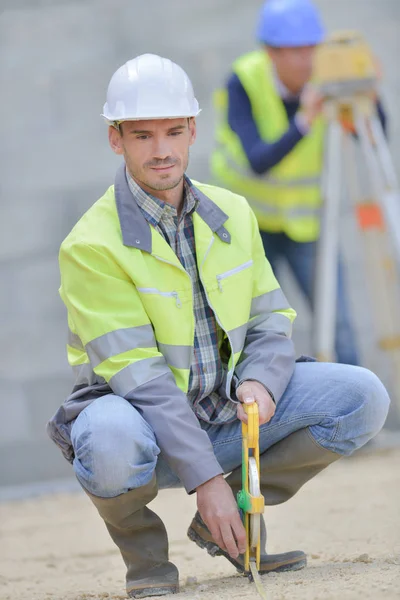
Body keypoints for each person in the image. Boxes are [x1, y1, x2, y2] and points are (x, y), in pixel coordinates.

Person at [47, 53, 390, 599]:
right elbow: (140, 377)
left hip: (224, 409)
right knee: (108, 439)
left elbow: (271, 320)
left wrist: (262, 379)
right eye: (142, 135)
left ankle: (229, 513)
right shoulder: (90, 245)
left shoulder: (232, 212)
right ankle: (147, 561)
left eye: (173, 132)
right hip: (144, 429)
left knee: (362, 396)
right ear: (117, 139)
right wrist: (202, 478)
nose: (161, 150)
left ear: (192, 131)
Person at [211, 0, 387, 366]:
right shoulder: (244, 80)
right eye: (297, 51)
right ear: (271, 52)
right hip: (249, 229)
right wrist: (304, 122)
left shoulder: (327, 79)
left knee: (338, 326)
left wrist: (368, 95)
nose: (309, 60)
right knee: (252, 328)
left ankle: (353, 404)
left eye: (313, 48)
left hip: (307, 227)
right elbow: (258, 160)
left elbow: (373, 138)